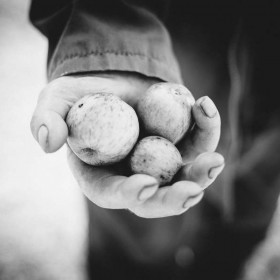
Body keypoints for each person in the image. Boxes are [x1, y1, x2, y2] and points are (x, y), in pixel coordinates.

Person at [29, 0, 280, 280]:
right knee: (135, 245)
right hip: (164, 61)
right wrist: (106, 51)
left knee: (239, 227)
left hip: (270, 120)